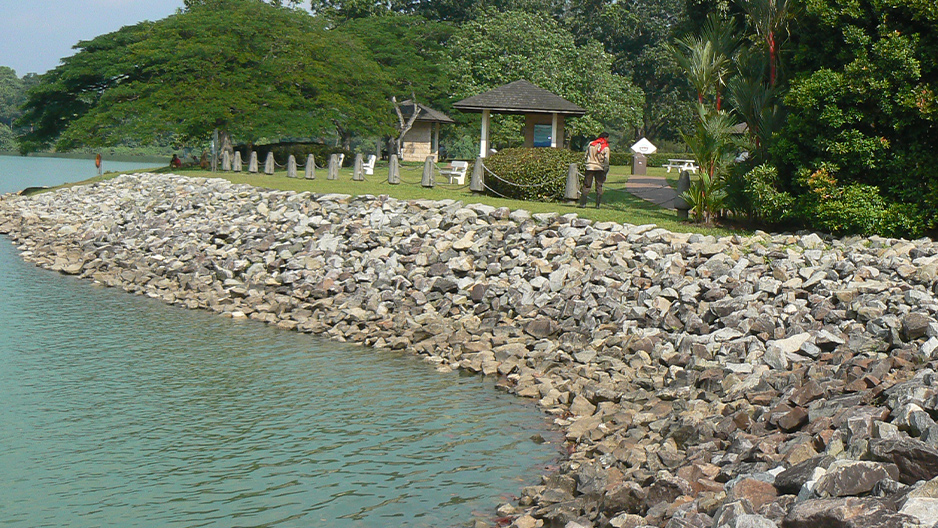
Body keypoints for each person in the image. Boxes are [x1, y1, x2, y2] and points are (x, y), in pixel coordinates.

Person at [580, 132, 610, 208]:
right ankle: (597, 205)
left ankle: (583, 204)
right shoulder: (606, 147)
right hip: (599, 167)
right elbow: (606, 160)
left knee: (586, 185)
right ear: (605, 138)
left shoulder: (591, 144)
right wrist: (605, 170)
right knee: (599, 186)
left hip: (589, 166)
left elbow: (585, 155)